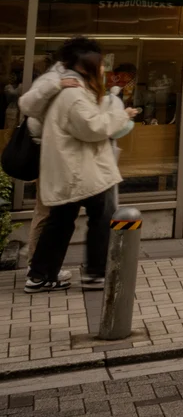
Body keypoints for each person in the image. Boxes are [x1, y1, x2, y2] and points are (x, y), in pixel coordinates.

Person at [25, 44, 136, 293]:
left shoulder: (70, 88)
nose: (104, 68)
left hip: (72, 168)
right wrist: (122, 115)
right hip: (82, 169)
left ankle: (41, 275)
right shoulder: (72, 93)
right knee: (102, 216)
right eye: (100, 64)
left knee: (61, 221)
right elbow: (92, 128)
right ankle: (95, 274)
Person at [17, 37, 94, 281]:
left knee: (54, 212)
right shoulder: (55, 77)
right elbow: (26, 104)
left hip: (64, 155)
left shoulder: (78, 78)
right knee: (48, 211)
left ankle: (42, 269)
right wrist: (58, 85)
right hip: (50, 154)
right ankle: (37, 269)